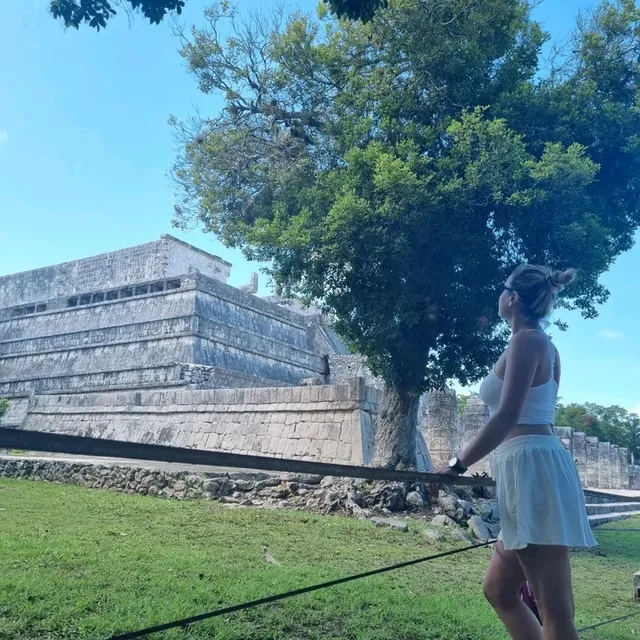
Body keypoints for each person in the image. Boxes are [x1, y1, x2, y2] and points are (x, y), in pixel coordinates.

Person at [432, 265, 596, 640]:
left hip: (531, 468)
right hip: (525, 467)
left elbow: (507, 415)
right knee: (499, 590)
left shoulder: (530, 342)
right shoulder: (532, 343)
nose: (499, 295)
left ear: (513, 297)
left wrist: (457, 465)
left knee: (556, 610)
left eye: (502, 289)